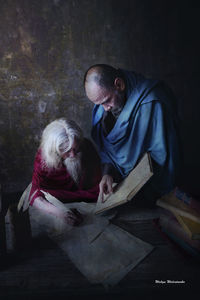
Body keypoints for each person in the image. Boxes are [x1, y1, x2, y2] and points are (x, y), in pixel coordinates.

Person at [84, 64, 181, 206]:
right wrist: (108, 173)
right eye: (98, 104)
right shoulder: (102, 105)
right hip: (121, 190)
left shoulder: (153, 102)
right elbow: (108, 151)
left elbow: (163, 160)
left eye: (106, 101)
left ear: (119, 84)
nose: (105, 109)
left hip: (152, 191)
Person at [25, 118, 101, 226]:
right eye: (67, 151)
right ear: (54, 150)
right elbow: (35, 193)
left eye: (75, 149)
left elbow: (97, 181)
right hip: (59, 197)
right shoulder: (44, 158)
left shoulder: (86, 146)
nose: (73, 155)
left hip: (87, 195)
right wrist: (61, 214)